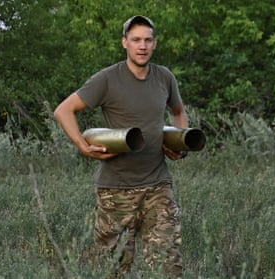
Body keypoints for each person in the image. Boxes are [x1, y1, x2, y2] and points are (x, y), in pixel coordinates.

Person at [54, 15, 188, 278]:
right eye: (136, 40)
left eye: (148, 40)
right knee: (113, 270)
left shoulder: (164, 77)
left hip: (158, 186)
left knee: (168, 268)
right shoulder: (107, 79)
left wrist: (180, 142)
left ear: (155, 44)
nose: (142, 46)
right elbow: (64, 110)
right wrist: (83, 146)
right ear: (124, 42)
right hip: (115, 192)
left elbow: (179, 110)